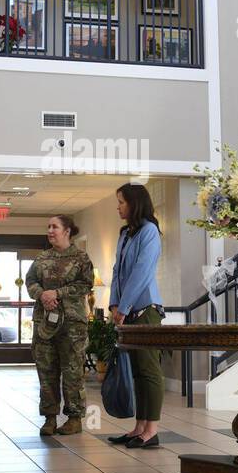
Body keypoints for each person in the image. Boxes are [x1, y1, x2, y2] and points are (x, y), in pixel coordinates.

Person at [106, 183, 165, 449]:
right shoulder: (125, 233)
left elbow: (142, 273)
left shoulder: (150, 232)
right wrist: (113, 304)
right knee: (137, 372)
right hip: (127, 309)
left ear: (135, 203)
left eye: (121, 202)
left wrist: (124, 307)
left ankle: (151, 430)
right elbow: (118, 271)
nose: (118, 207)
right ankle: (139, 427)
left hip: (145, 310)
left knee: (149, 370)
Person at [26, 215, 94, 436]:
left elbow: (86, 284)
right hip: (45, 324)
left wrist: (58, 293)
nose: (50, 230)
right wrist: (42, 294)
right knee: (46, 371)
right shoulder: (42, 258)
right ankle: (50, 418)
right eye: (48, 227)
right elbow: (30, 282)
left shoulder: (81, 258)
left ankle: (74, 418)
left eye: (54, 227)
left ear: (67, 231)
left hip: (73, 326)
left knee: (73, 371)